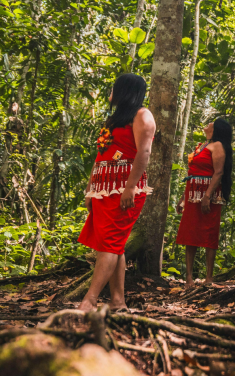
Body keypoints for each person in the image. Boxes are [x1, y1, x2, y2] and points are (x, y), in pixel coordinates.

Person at [77, 74, 156, 311]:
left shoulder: (143, 115)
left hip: (126, 188)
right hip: (103, 189)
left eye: (114, 87)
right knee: (114, 245)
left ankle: (89, 300)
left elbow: (144, 153)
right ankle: (118, 302)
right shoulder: (114, 119)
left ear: (124, 90)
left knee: (110, 244)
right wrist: (91, 190)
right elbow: (100, 155)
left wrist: (130, 187)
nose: (110, 91)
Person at [175, 118, 233, 287]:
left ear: (216, 130)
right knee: (190, 233)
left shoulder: (218, 147)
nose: (206, 125)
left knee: (209, 232)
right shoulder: (201, 146)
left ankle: (209, 277)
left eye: (210, 124)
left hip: (210, 195)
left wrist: (207, 196)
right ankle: (189, 278)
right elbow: (192, 173)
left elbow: (219, 172)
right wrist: (183, 198)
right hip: (192, 193)